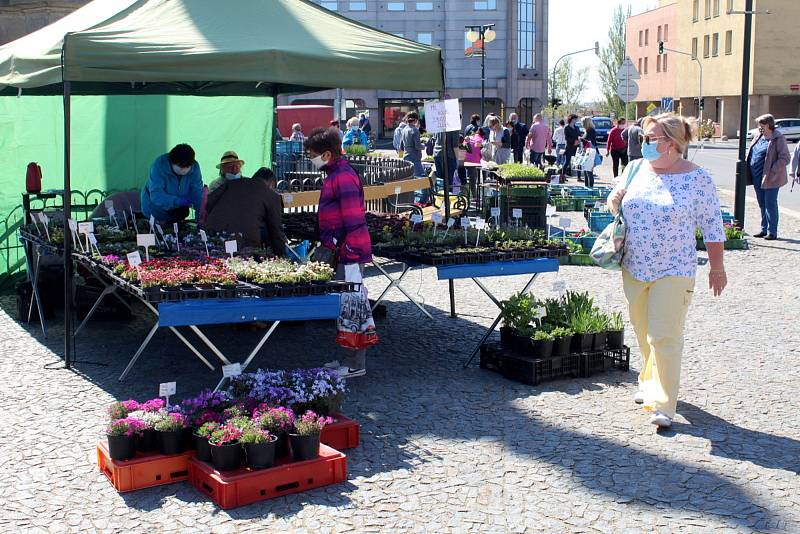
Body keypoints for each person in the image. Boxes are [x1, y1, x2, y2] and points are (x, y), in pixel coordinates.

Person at [607, 113, 726, 428]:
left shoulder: (697, 178)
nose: (644, 144)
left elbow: (713, 226)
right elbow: (615, 203)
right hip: (634, 265)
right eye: (645, 138)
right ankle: (648, 381)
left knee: (665, 335)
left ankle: (663, 404)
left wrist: (717, 267)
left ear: (672, 143)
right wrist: (614, 200)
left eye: (651, 139)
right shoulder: (635, 169)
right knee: (643, 331)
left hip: (674, 268)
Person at [304, 127, 376, 378]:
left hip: (350, 252)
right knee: (345, 306)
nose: (309, 159)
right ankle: (346, 356)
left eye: (311, 154)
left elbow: (352, 219)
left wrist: (337, 247)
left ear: (326, 154)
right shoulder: (335, 173)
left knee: (353, 307)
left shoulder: (342, 176)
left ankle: (355, 364)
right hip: (345, 249)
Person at [204, 166, 286, 255]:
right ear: (271, 183)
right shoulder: (272, 196)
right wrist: (282, 255)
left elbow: (209, 203)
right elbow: (276, 231)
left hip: (211, 236)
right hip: (244, 243)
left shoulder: (232, 183)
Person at [746, 114, 791, 240]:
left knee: (770, 203)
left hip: (771, 177)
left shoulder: (778, 138)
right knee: (762, 203)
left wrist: (773, 170)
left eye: (762, 124)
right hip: (756, 176)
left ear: (769, 125)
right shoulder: (758, 136)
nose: (759, 127)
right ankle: (763, 229)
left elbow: (785, 158)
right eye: (759, 124)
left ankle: (772, 232)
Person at [141, 143, 203, 224]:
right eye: (181, 166)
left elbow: (198, 193)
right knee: (158, 232)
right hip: (154, 208)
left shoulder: (195, 168)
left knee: (178, 230)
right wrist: (178, 201)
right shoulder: (159, 166)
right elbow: (156, 195)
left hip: (178, 210)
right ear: (171, 162)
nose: (184, 170)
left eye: (188, 167)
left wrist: (199, 217)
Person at [400, 112, 425, 178]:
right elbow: (417, 146)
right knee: (421, 177)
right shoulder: (415, 130)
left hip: (406, 157)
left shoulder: (404, 130)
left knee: (409, 178)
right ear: (416, 120)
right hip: (415, 158)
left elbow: (401, 147)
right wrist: (424, 146)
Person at [581, 117, 598, 187]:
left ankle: (590, 187)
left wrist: (581, 139)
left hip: (590, 152)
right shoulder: (588, 130)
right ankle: (587, 186)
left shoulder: (590, 130)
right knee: (586, 171)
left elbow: (590, 142)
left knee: (588, 171)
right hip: (588, 152)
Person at [563, 114, 581, 178]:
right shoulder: (566, 127)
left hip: (577, 147)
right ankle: (563, 176)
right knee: (567, 161)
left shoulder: (577, 127)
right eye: (575, 119)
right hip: (569, 146)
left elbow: (579, 135)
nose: (576, 120)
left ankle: (579, 177)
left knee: (578, 162)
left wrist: (578, 140)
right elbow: (566, 138)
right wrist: (574, 142)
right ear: (572, 119)